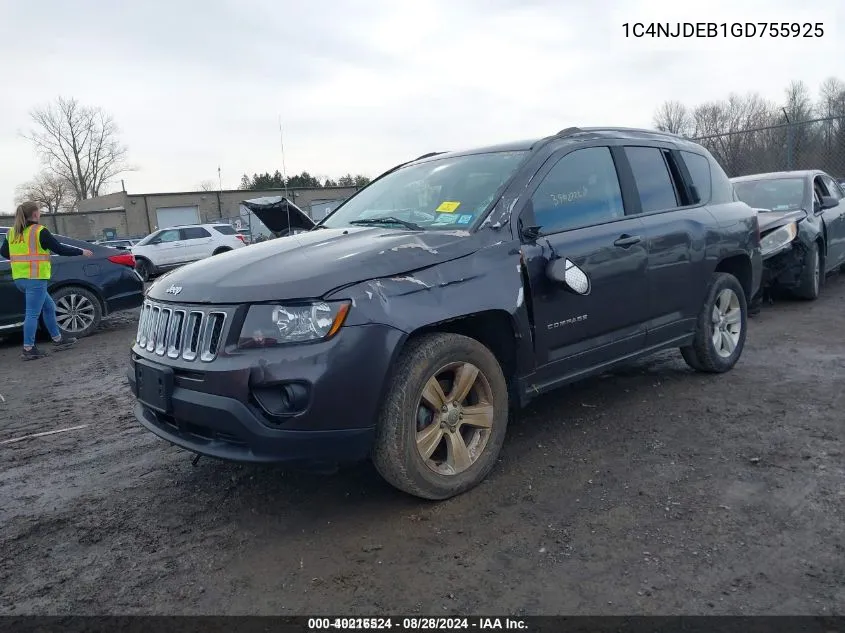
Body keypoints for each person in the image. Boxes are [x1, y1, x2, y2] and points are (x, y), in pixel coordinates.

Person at [0, 201, 94, 360]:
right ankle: (28, 349)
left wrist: (20, 260)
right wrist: (81, 251)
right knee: (32, 314)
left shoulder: (12, 233)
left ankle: (58, 339)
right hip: (35, 279)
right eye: (39, 211)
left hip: (20, 279)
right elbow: (59, 249)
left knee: (49, 306)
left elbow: (4, 253)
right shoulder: (39, 231)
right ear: (35, 214)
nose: (40, 213)